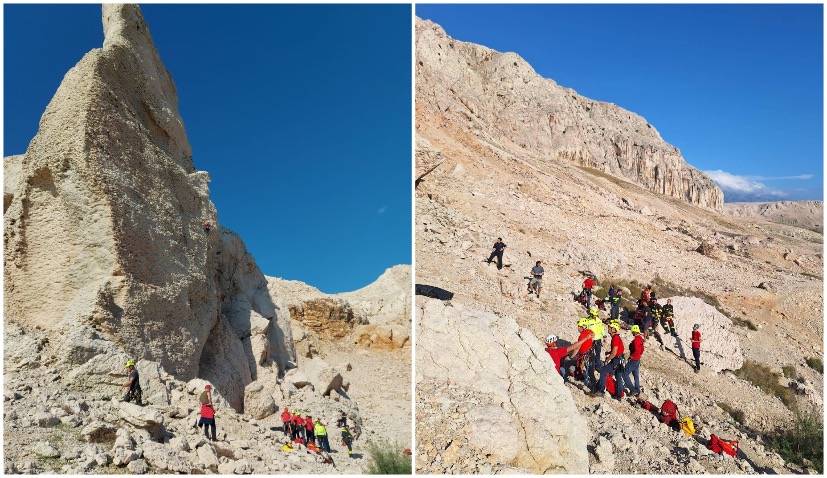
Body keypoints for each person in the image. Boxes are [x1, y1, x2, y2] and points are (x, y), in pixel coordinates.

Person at [595, 322, 625, 399]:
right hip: (620, 359)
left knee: (603, 370)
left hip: (616, 359)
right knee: (618, 376)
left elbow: (614, 352)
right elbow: (617, 350)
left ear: (613, 329)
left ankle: (601, 391)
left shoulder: (615, 338)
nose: (608, 328)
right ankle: (619, 394)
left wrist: (607, 359)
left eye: (609, 327)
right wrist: (609, 352)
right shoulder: (616, 337)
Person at [623, 325, 645, 396]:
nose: (632, 333)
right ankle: (637, 389)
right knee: (636, 375)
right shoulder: (641, 338)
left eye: (632, 332)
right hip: (637, 359)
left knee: (625, 373)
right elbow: (642, 349)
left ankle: (632, 390)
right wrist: (639, 355)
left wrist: (631, 357)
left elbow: (637, 350)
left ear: (635, 332)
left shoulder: (636, 340)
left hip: (634, 360)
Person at [574, 319, 595, 391]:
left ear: (583, 327)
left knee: (588, 370)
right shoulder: (589, 331)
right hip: (590, 353)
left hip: (586, 354)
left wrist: (571, 356)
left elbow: (577, 348)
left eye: (579, 327)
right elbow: (593, 334)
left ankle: (591, 385)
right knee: (589, 369)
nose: (578, 328)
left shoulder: (582, 336)